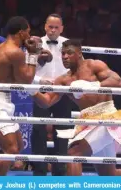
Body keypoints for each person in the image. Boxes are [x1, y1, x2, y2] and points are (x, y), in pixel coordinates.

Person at [30, 39, 121, 176]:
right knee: (109, 175)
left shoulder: (94, 65)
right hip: (87, 122)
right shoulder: (63, 80)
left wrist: (93, 86)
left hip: (107, 119)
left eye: (69, 53)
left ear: (79, 53)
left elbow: (118, 82)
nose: (65, 57)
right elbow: (46, 101)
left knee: (73, 155)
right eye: (62, 54)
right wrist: (32, 90)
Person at [0, 16, 52, 176]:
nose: (30, 36)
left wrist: (35, 58)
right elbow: (26, 79)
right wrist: (33, 54)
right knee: (11, 150)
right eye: (28, 32)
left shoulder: (6, 47)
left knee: (18, 146)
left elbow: (16, 76)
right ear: (21, 32)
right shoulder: (14, 52)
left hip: (1, 98)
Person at [31, 13, 78, 176]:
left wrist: (66, 82)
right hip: (40, 90)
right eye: (50, 27)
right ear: (45, 26)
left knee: (63, 130)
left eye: (56, 27)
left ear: (62, 28)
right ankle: (39, 170)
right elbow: (26, 70)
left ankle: (60, 170)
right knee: (38, 129)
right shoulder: (34, 44)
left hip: (62, 91)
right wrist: (39, 80)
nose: (52, 30)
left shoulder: (69, 45)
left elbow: (78, 67)